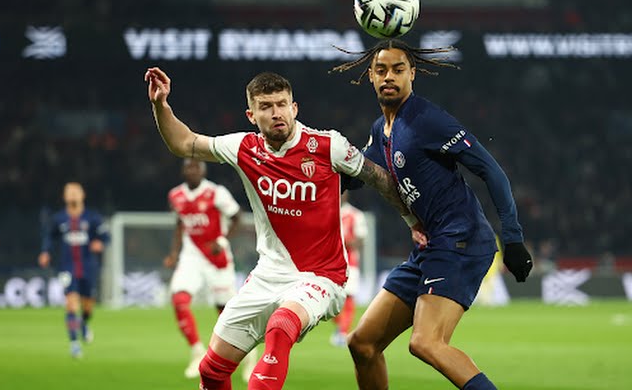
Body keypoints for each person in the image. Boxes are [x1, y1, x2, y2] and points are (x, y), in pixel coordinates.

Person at [144, 67, 424, 390]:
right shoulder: (243, 148)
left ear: (295, 108)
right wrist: (160, 105)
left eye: (281, 104)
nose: (276, 113)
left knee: (280, 327)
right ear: (251, 114)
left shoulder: (327, 146)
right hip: (267, 275)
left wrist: (414, 220)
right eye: (266, 107)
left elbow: (379, 178)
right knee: (211, 371)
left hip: (322, 276)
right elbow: (185, 143)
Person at [331, 39, 533, 390]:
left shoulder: (427, 120)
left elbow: (492, 171)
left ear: (412, 74)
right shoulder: (381, 130)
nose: (389, 77)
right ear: (371, 77)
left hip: (461, 239)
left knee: (426, 342)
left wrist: (513, 238)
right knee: (362, 344)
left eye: (397, 69)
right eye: (381, 70)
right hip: (430, 247)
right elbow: (359, 175)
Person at [166, 158, 258, 380]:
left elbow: (238, 217)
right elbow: (180, 224)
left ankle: (250, 355)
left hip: (217, 259)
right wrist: (174, 253)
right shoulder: (175, 195)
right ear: (183, 171)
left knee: (227, 313)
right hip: (191, 257)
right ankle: (197, 351)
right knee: (179, 299)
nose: (192, 170)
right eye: (188, 167)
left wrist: (222, 240)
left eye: (196, 167)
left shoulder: (217, 193)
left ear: (203, 171)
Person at [39, 182, 108, 359]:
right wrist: (45, 252)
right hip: (66, 268)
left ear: (82, 195)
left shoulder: (92, 217)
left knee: (88, 307)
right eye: (69, 192)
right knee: (71, 304)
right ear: (64, 197)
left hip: (88, 267)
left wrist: (100, 243)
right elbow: (49, 236)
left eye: (76, 192)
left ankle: (83, 324)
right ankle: (74, 344)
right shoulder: (59, 219)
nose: (73, 195)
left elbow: (106, 236)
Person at [330, 191, 368, 347]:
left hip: (350, 263)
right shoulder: (328, 211)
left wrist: (345, 241)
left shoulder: (355, 215)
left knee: (349, 298)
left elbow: (360, 240)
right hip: (330, 264)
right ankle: (340, 326)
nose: (339, 196)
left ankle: (343, 332)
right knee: (329, 301)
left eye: (342, 193)